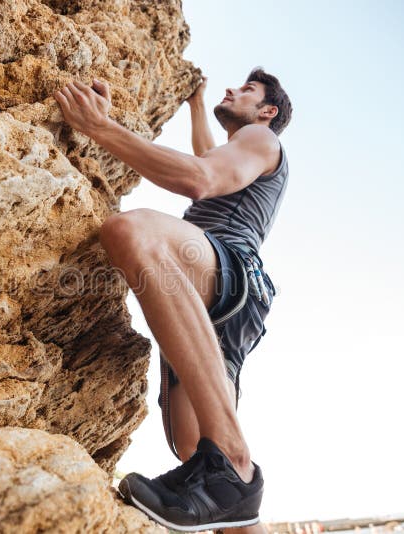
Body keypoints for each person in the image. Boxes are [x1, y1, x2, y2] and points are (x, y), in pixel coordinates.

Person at [53, 66, 292, 532]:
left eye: (247, 89)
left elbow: (199, 177)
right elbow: (209, 155)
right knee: (197, 456)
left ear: (268, 112)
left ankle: (236, 464)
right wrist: (197, 103)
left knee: (133, 230)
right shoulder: (239, 151)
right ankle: (235, 488)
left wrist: (100, 126)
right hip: (226, 286)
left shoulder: (262, 140)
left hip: (230, 270)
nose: (232, 88)